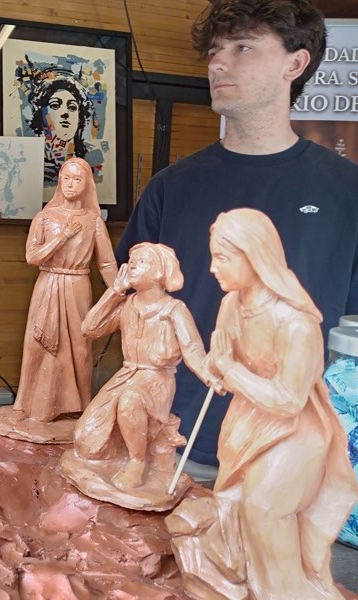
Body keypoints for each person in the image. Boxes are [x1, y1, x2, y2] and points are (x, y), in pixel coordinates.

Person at [116, 0, 358, 472]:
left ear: (295, 63)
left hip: (296, 458)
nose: (218, 64)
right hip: (178, 445)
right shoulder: (172, 187)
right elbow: (129, 303)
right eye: (214, 51)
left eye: (242, 47)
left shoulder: (347, 191)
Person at [168, 208, 357, 600]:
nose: (212, 268)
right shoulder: (231, 305)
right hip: (246, 424)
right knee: (232, 508)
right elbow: (221, 363)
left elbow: (288, 400)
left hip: (295, 431)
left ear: (254, 255)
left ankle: (288, 592)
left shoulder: (295, 322)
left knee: (262, 507)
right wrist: (215, 367)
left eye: (222, 258)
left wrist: (230, 369)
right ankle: (249, 581)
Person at [74, 243, 211, 490]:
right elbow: (89, 328)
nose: (132, 266)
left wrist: (210, 375)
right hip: (127, 375)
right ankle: (125, 450)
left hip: (157, 380)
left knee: (130, 401)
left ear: (160, 271)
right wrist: (115, 291)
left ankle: (136, 462)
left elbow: (193, 349)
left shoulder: (174, 310)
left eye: (142, 261)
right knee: (86, 441)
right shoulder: (127, 305)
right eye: (131, 261)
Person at [12, 158, 117, 423]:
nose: (70, 184)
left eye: (77, 179)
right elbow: (32, 256)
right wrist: (63, 237)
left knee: (80, 346)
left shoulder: (93, 222)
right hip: (48, 283)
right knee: (38, 345)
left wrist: (118, 292)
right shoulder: (45, 218)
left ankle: (78, 406)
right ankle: (31, 405)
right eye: (66, 178)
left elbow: (106, 263)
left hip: (77, 286)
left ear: (87, 184)